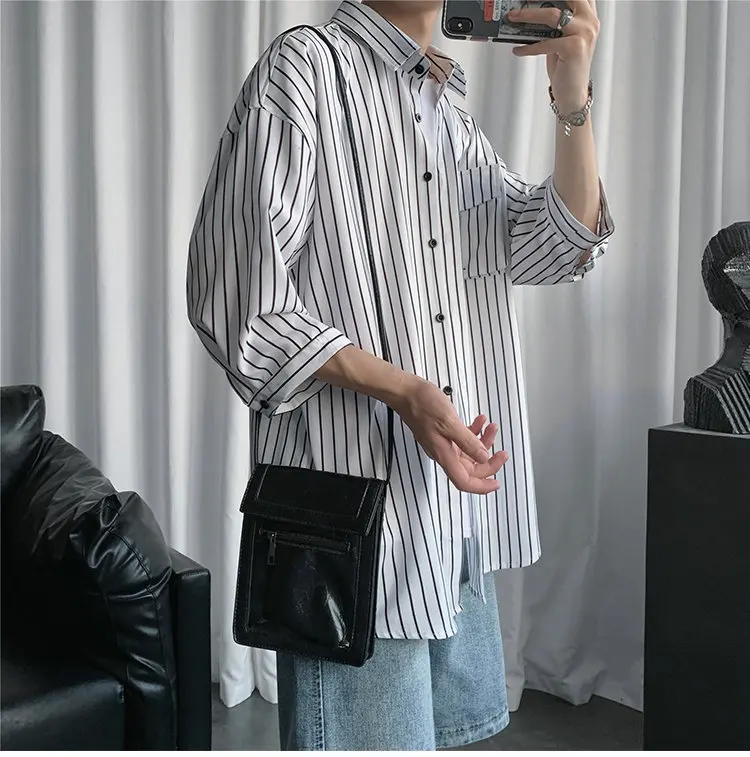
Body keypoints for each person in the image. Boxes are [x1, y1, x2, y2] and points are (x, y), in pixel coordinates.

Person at [187, 0, 614, 750]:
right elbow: (236, 299)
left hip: (449, 533)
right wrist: (404, 390)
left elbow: (557, 244)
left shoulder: (451, 119)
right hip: (352, 539)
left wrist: (572, 94)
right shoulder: (305, 71)